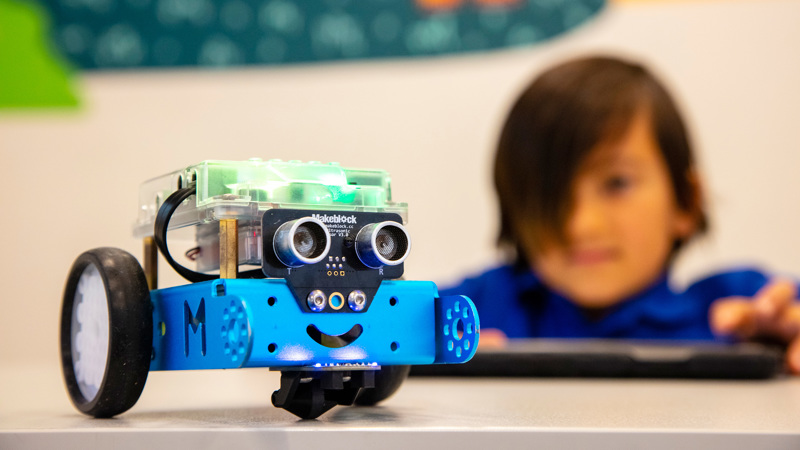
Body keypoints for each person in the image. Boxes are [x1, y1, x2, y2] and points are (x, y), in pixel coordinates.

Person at [441, 56, 800, 372]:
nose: (580, 225)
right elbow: (387, 325)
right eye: (549, 194)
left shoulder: (739, 309)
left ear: (686, 202)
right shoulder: (477, 307)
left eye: (616, 183)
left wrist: (784, 337)